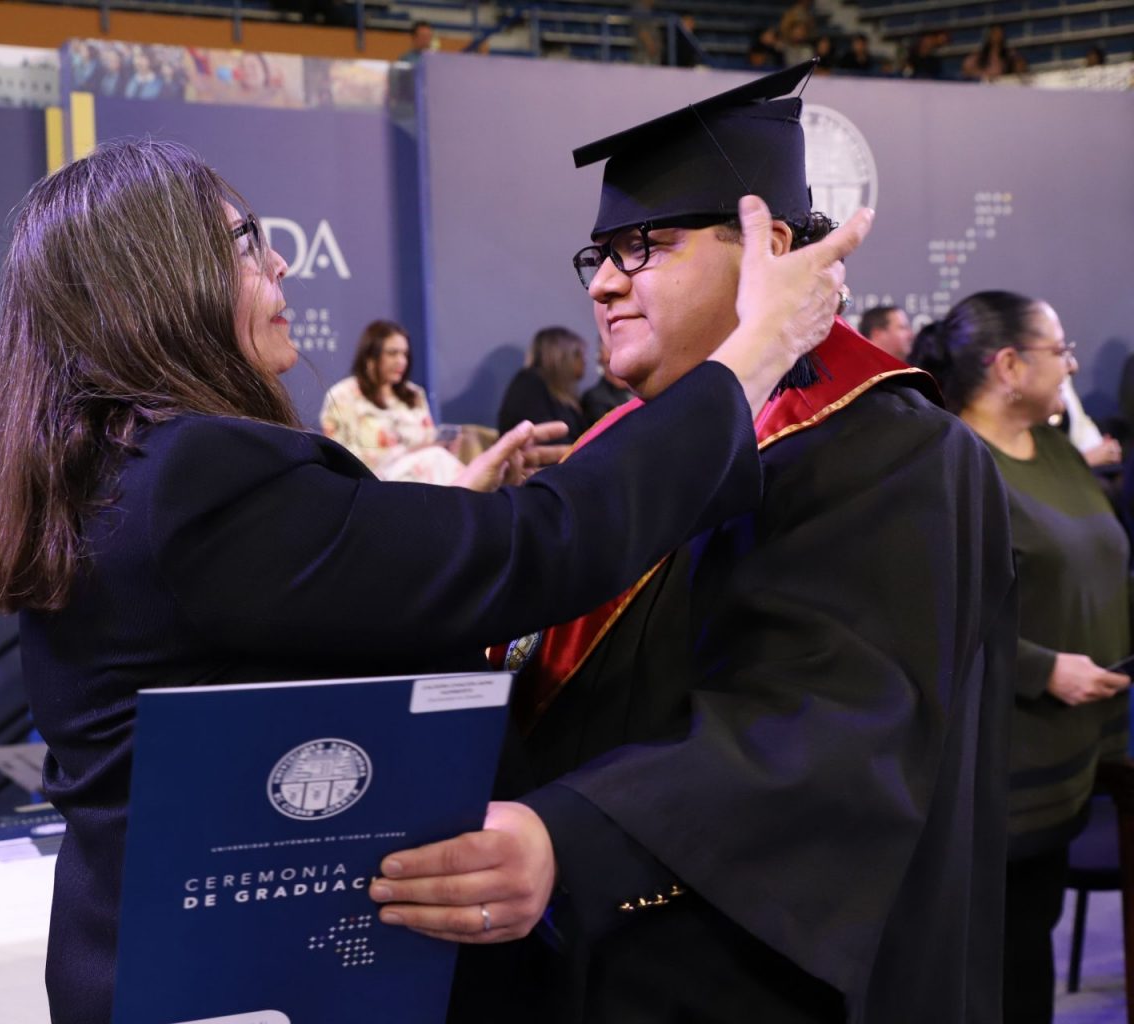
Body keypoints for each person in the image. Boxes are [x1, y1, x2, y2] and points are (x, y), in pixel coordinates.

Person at [0, 136, 869, 1024]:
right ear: (159, 282)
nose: (278, 262)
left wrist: (428, 528)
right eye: (245, 242)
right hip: (248, 979)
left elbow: (280, 612)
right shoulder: (199, 476)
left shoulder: (110, 469)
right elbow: (543, 545)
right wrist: (756, 348)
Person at [370, 61, 1015, 1024]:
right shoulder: (631, 443)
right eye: (600, 256)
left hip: (751, 970)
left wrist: (570, 837)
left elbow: (831, 730)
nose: (606, 285)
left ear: (772, 249)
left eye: (646, 246)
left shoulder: (895, 450)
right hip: (585, 956)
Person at [911, 291, 1129, 1024]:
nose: (1072, 365)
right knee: (1001, 971)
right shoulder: (950, 463)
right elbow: (933, 611)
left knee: (1029, 947)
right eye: (1059, 351)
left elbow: (1102, 564)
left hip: (1073, 758)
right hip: (1000, 771)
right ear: (1008, 366)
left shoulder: (1058, 450)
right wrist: (1044, 668)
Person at [319, 319, 465, 484]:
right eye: (392, 353)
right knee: (435, 459)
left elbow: (429, 441)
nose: (401, 361)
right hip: (373, 482)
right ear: (370, 356)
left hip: (424, 479)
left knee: (438, 459)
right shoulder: (343, 396)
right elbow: (340, 457)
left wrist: (446, 446)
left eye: (405, 354)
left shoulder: (415, 394)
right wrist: (407, 453)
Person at [496, 326, 587, 440]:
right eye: (578, 354)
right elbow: (548, 439)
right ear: (562, 358)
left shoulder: (555, 392)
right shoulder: (529, 385)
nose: (584, 361)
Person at [579, 333, 635, 431]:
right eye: (608, 362)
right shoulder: (595, 399)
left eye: (619, 359)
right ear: (600, 360)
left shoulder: (641, 389)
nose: (614, 368)